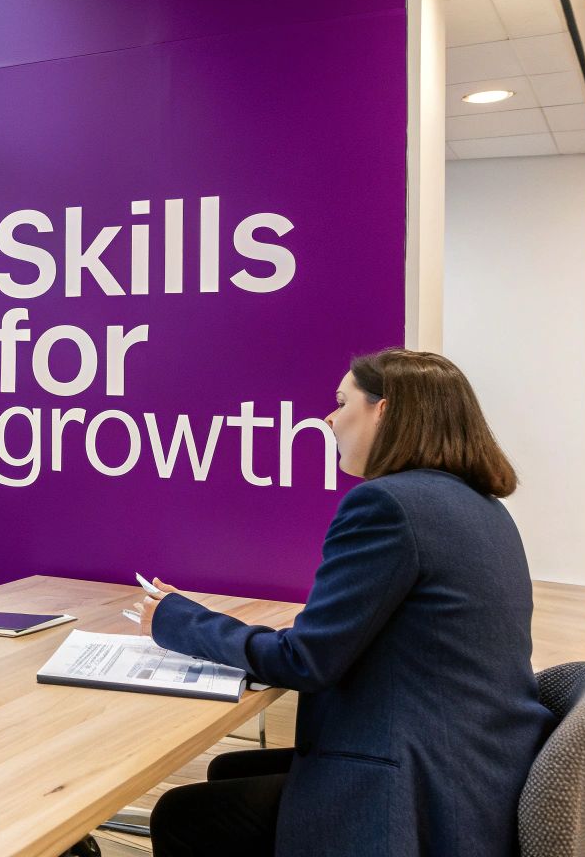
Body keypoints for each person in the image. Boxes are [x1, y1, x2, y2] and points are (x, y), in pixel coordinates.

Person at [138, 349, 553, 857]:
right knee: (229, 769)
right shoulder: (480, 505)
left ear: (384, 410)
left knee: (184, 815)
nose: (329, 418)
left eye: (341, 402)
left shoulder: (389, 505)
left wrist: (175, 618)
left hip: (414, 789)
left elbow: (305, 660)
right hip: (472, 765)